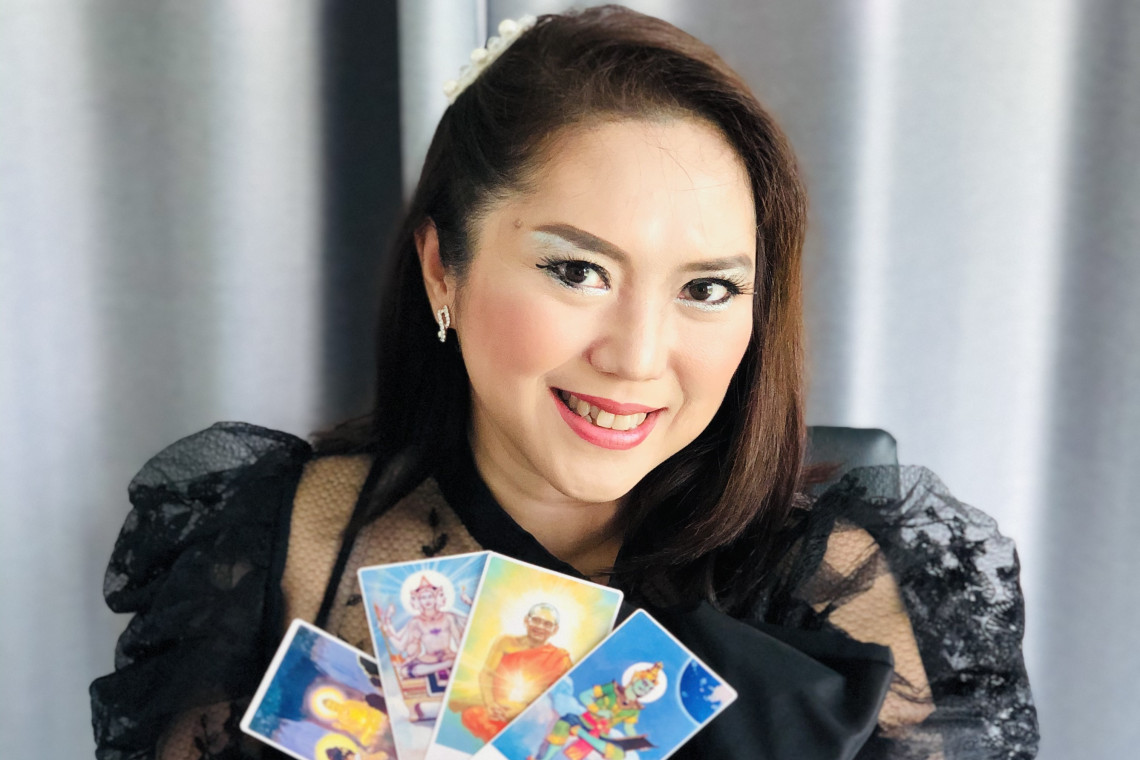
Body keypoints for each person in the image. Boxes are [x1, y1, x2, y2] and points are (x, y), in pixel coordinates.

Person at [89, 6, 1039, 759]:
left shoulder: (842, 588)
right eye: (578, 271)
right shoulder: (272, 544)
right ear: (443, 269)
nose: (637, 355)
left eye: (707, 289)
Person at [460, 603, 573, 741]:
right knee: (471, 716)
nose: (540, 627)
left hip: (530, 714)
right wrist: (490, 704)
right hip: (495, 707)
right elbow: (487, 673)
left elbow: (558, 696)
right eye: (536, 620)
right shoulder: (505, 642)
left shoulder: (560, 658)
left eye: (547, 624)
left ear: (555, 630)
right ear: (526, 620)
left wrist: (523, 709)